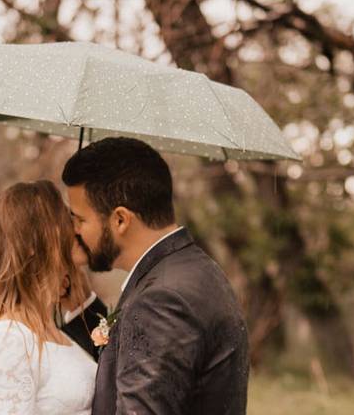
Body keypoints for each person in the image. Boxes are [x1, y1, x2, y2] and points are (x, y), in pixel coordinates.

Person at [63, 137, 249, 415]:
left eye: (80, 220)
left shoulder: (160, 300)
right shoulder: (192, 271)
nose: (75, 231)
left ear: (120, 220)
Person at [0, 180, 98, 415]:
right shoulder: (6, 339)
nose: (74, 228)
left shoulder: (51, 331)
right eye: (62, 219)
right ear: (31, 243)